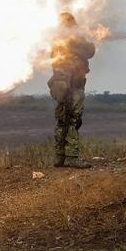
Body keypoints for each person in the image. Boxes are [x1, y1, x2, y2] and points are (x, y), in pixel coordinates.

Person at [48, 12, 96, 168]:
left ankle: (59, 157)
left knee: (62, 121)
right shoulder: (75, 41)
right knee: (73, 121)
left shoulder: (56, 41)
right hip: (74, 86)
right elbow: (90, 51)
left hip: (61, 86)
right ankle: (72, 157)